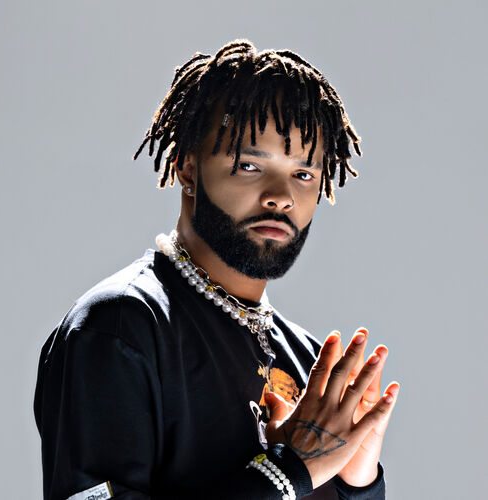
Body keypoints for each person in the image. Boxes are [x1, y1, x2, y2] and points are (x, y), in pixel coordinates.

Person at [34, 39, 400, 500]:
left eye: (304, 174)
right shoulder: (120, 327)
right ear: (187, 168)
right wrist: (288, 471)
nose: (281, 196)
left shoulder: (310, 362)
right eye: (249, 165)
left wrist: (357, 483)